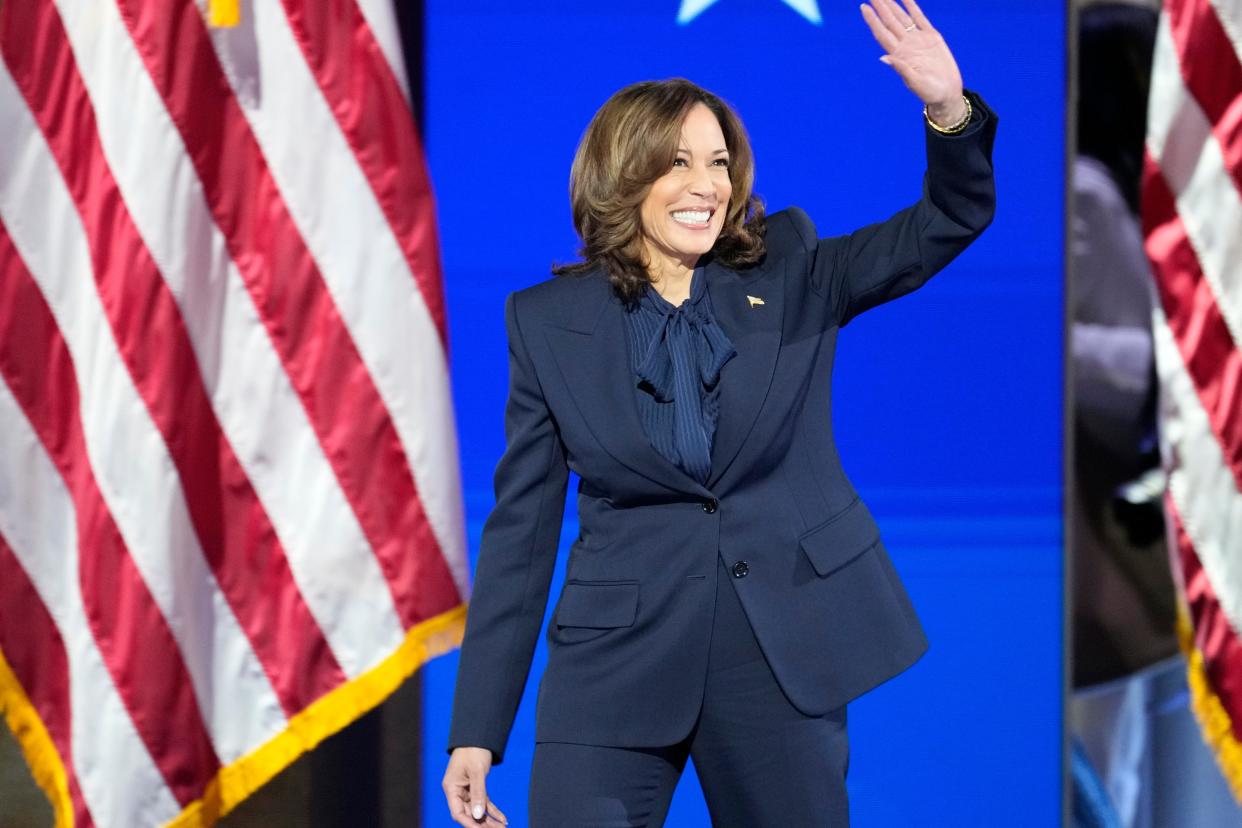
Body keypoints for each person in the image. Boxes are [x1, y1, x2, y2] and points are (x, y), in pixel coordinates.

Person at [443, 1, 996, 824]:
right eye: (676, 164)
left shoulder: (797, 266)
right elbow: (520, 535)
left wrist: (948, 111)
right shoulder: (545, 322)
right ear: (621, 177)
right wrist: (476, 732)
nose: (706, 186)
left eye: (718, 163)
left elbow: (946, 223)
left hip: (780, 650)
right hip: (614, 664)